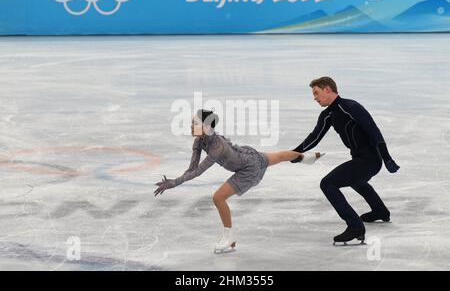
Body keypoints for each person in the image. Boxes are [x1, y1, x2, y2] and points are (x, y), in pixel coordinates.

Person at [154, 109, 323, 253]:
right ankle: (306, 158)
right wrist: (174, 182)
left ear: (206, 127)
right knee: (279, 156)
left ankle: (229, 238)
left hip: (247, 169)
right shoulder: (199, 141)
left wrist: (174, 183)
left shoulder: (216, 147)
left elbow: (198, 172)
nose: (191, 126)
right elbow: (191, 169)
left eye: (194, 124)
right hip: (247, 156)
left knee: (218, 198)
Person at [291, 77, 399, 245]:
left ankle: (355, 227)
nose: (315, 98)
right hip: (359, 159)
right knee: (356, 180)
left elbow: (374, 132)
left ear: (328, 89)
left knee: (328, 184)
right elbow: (315, 137)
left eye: (316, 93)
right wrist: (295, 153)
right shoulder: (327, 114)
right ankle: (380, 211)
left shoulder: (350, 107)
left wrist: (387, 158)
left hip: (370, 160)